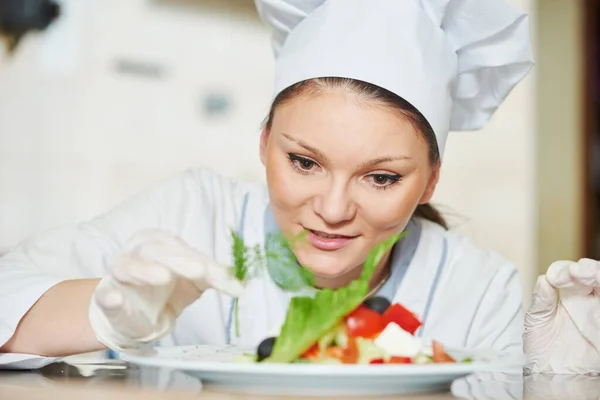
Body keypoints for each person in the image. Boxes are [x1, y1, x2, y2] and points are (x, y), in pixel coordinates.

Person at [0, 0, 597, 374]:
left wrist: (559, 386)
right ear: (264, 144)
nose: (333, 210)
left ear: (430, 180)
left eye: (382, 177)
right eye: (304, 162)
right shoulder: (194, 212)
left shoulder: (479, 288)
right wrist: (105, 315)